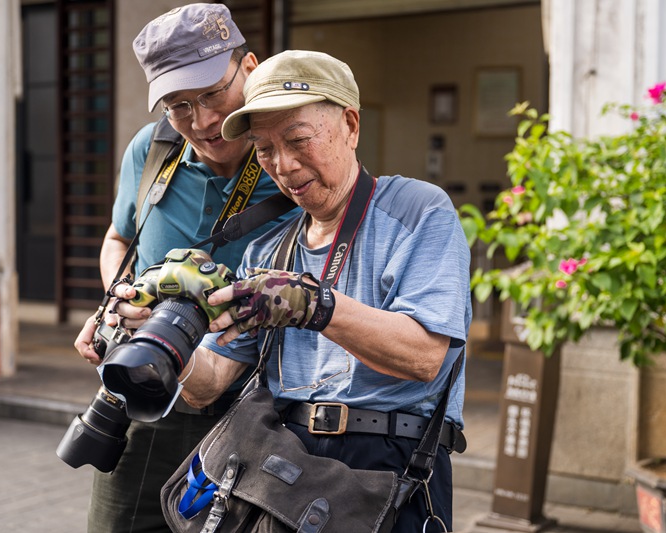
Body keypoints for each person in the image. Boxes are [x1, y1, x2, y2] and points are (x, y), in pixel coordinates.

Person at [177, 49, 471, 531]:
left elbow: (424, 357)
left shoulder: (418, 210)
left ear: (351, 126)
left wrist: (313, 304)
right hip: (283, 466)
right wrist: (165, 342)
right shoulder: (268, 249)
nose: (284, 165)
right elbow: (209, 382)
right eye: (265, 149)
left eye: (298, 140)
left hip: (391, 467)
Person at [72, 5, 291, 531]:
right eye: (178, 105)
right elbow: (118, 237)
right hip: (150, 385)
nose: (203, 121)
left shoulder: (291, 157)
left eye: (214, 93)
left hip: (258, 401)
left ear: (250, 66)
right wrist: (119, 302)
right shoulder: (151, 151)